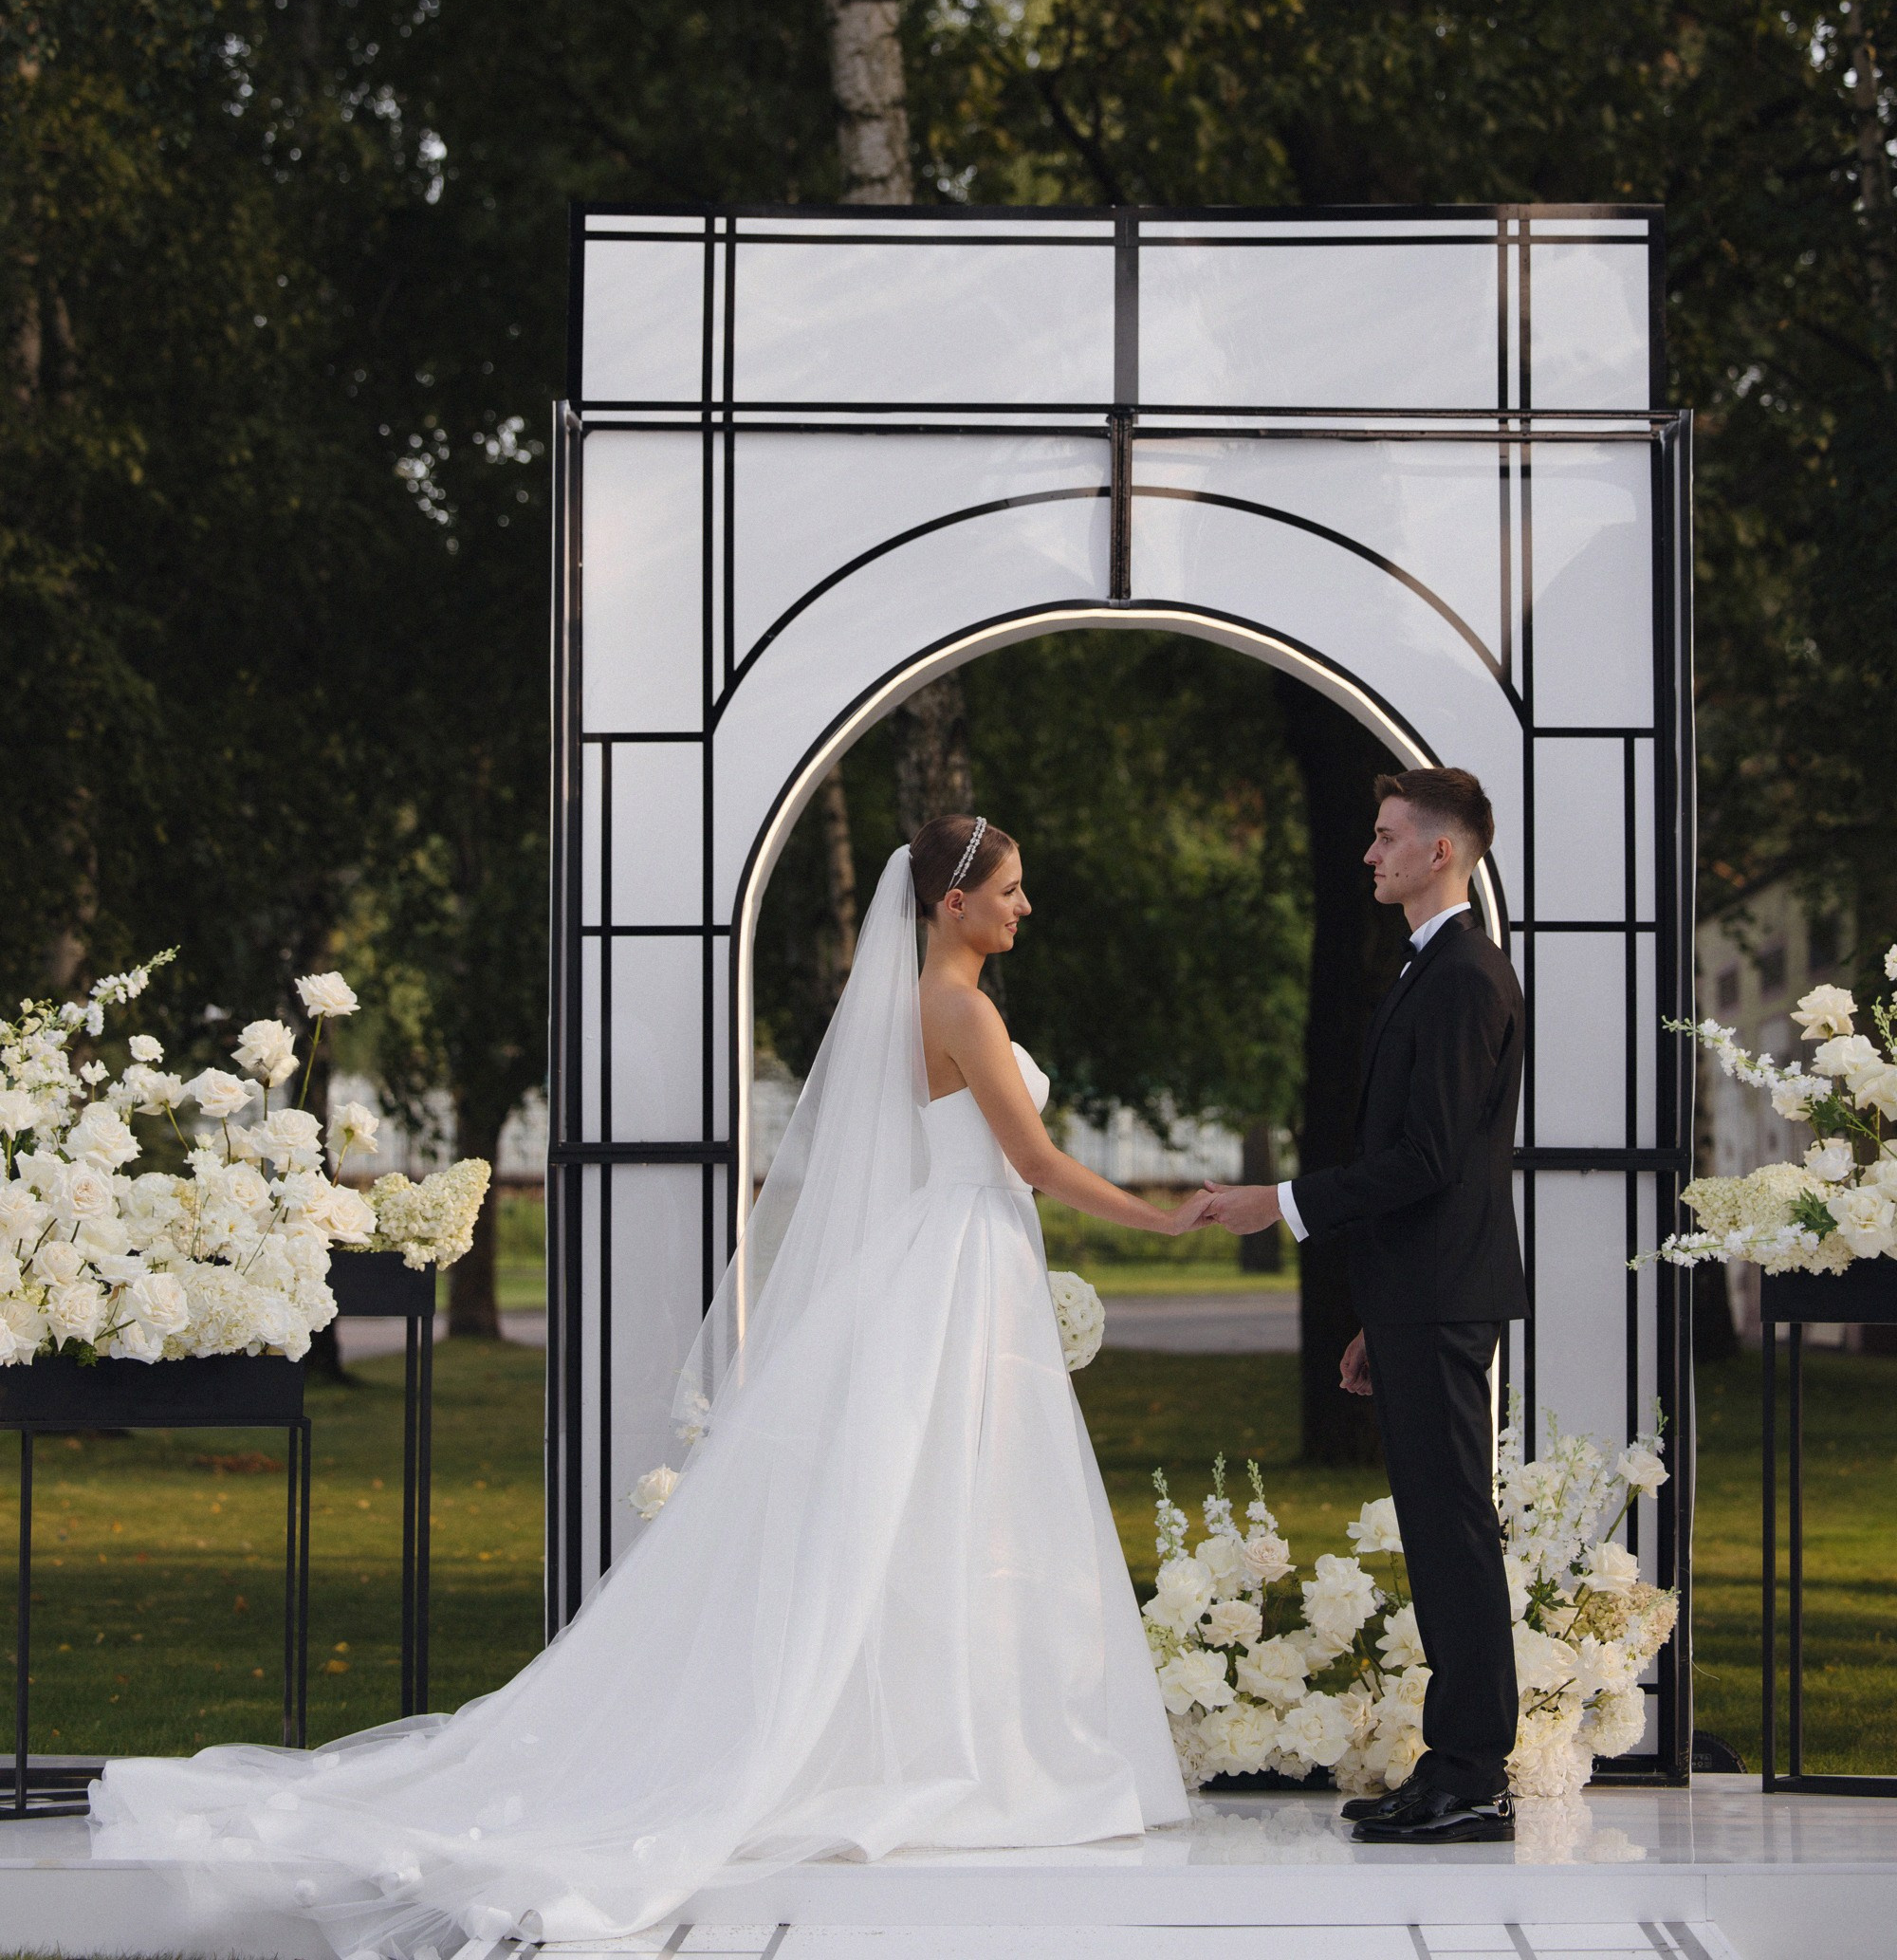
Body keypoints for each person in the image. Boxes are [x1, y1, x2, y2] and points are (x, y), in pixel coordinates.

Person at [93, 816, 1198, 1951]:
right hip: (965, 1255)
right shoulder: (960, 1006)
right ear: (951, 903)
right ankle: (962, 1745)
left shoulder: (940, 1000)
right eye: (1010, 890)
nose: (1025, 907)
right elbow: (1035, 1162)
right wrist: (1162, 1213)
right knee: (949, 1495)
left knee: (941, 1498)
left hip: (963, 1258)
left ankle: (949, 1731)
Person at [1201, 766, 1526, 1846]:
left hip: (1440, 1294)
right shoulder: (1429, 972)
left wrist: (1278, 1202)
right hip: (1417, 1294)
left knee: (1453, 1534)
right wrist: (1369, 1314)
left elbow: (1426, 1159)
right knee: (1438, 1533)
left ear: (1439, 851)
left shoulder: (1466, 978)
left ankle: (1472, 1776)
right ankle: (1454, 1768)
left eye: (1385, 836)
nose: (1368, 853)